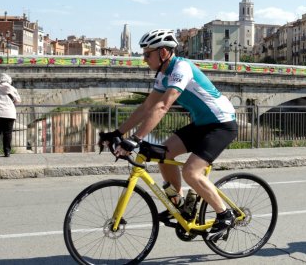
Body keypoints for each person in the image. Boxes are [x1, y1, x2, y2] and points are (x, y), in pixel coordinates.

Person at [98, 29, 238, 241]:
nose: (144, 59)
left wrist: (135, 139)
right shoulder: (163, 74)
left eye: (148, 54)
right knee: (163, 154)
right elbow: (147, 106)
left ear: (163, 53)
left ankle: (224, 214)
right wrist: (118, 132)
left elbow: (163, 106)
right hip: (202, 124)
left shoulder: (181, 68)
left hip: (222, 124)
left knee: (192, 172)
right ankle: (181, 204)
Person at [0, 73, 21, 157]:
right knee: (8, 133)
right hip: (9, 113)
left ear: (0, 80)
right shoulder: (12, 88)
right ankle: (7, 152)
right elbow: (18, 101)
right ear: (9, 80)